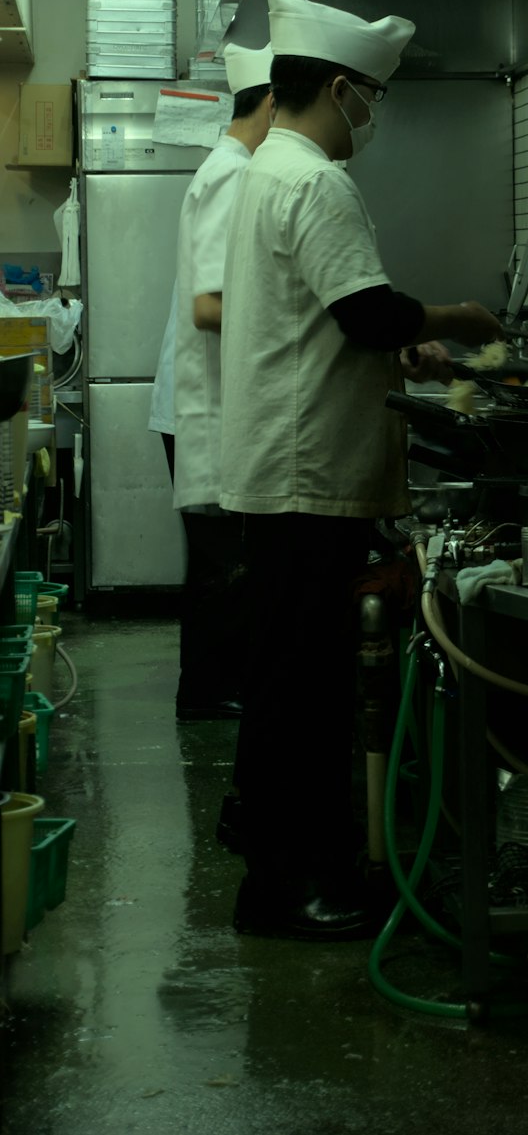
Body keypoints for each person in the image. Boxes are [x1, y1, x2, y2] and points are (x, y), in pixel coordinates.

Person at [218, 0, 502, 941]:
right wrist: (453, 322)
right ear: (341, 89)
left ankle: (278, 868)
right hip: (309, 476)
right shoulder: (315, 180)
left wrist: (397, 350)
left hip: (285, 467)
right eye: (371, 100)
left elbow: (335, 320)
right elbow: (364, 311)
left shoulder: (271, 169)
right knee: (304, 690)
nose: (370, 120)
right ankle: (289, 888)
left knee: (285, 681)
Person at [157, 43, 274, 720]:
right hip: (204, 406)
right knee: (221, 566)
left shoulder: (226, 169)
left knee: (215, 565)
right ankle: (207, 692)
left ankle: (205, 688)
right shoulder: (232, 175)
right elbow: (210, 305)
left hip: (200, 400)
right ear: (272, 104)